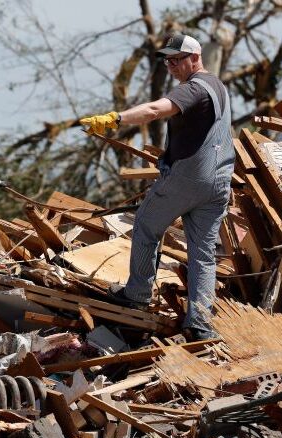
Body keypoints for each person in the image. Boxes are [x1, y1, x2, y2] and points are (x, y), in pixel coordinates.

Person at [79, 34, 234, 341]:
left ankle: (137, 294)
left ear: (195, 57)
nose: (171, 66)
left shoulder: (193, 88)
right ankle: (200, 324)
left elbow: (154, 110)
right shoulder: (218, 86)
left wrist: (115, 118)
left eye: (176, 59)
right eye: (167, 61)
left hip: (188, 179)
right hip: (218, 183)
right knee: (203, 254)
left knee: (146, 225)